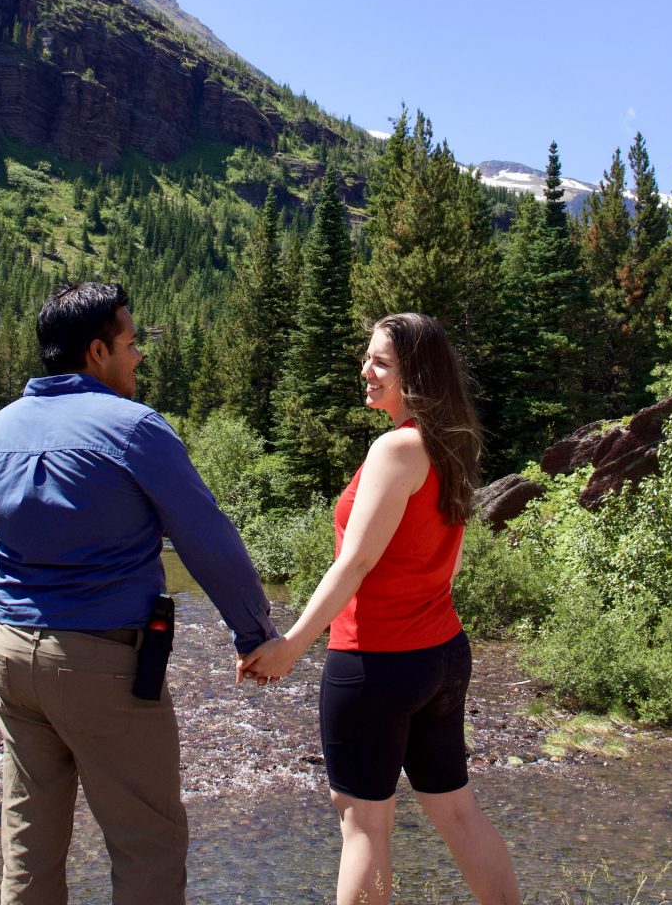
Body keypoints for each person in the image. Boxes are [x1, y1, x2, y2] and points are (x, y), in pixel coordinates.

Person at [0, 281, 278, 905]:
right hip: (105, 665)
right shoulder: (134, 429)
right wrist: (256, 634)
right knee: (145, 845)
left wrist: (20, 618)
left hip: (12, 659)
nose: (139, 355)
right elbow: (208, 541)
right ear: (97, 352)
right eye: (131, 343)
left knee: (29, 845)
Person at [239, 312, 521, 905]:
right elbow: (449, 559)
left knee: (364, 824)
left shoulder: (395, 448)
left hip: (377, 662)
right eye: (367, 358)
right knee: (457, 812)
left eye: (381, 363)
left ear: (415, 373)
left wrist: (291, 645)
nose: (366, 370)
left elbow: (354, 563)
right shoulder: (448, 445)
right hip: (441, 656)